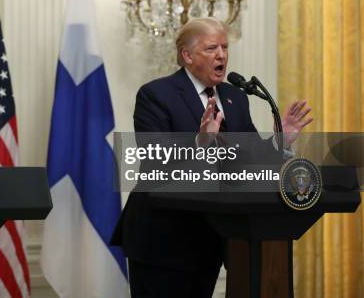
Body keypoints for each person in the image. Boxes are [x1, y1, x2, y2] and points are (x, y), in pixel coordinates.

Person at [111, 17, 312, 297]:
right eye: (211, 48)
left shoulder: (235, 97)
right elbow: (154, 162)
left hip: (212, 237)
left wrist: (280, 141)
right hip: (161, 240)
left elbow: (250, 159)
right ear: (187, 55)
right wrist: (200, 144)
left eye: (225, 48)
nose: (221, 55)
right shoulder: (156, 95)